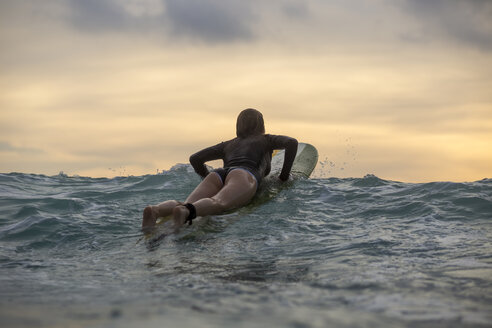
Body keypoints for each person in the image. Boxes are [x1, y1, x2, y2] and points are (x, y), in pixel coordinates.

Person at [142, 108, 298, 232]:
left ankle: (155, 210)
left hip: (219, 174)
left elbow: (195, 159)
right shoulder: (266, 139)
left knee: (185, 203)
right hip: (244, 174)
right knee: (218, 202)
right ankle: (187, 212)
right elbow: (292, 142)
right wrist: (283, 177)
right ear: (261, 125)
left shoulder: (228, 144)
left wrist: (207, 178)